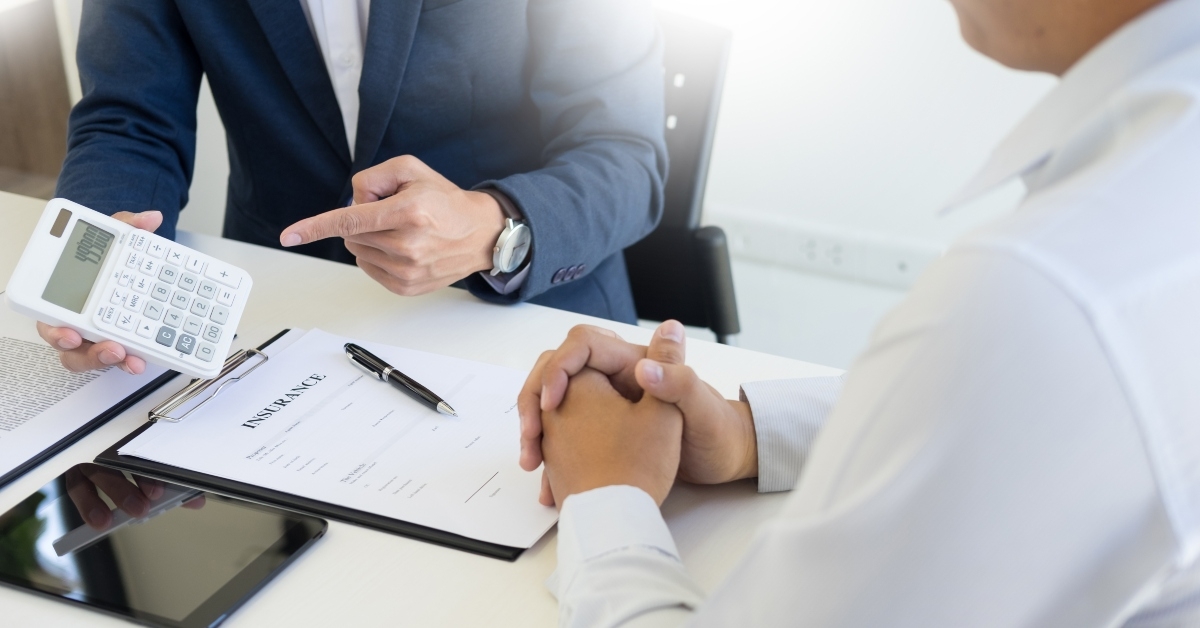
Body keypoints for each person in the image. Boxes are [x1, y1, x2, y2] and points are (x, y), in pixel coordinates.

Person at [518, 0, 1200, 625]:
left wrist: (607, 496)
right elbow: (1012, 401)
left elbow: (1017, 360)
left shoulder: (1042, 297)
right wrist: (747, 432)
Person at [39, 0, 667, 374]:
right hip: (278, 330)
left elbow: (627, 154)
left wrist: (493, 229)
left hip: (530, 331)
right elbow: (130, 120)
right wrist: (96, 259)